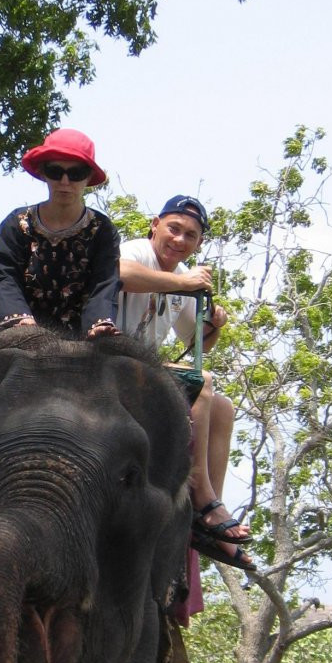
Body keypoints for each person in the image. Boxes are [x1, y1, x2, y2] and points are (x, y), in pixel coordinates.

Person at [119, 195, 254, 571]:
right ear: (155, 225)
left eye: (190, 235)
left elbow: (198, 342)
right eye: (173, 229)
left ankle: (207, 511)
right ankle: (202, 494)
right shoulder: (138, 253)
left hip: (145, 368)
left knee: (223, 406)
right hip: (110, 355)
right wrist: (181, 281)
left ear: (198, 243)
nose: (179, 240)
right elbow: (119, 274)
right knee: (203, 381)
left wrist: (216, 326)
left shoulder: (184, 279)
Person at [0, 128, 120, 338]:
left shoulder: (102, 229)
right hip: (22, 337)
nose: (65, 182)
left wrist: (98, 324)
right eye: (55, 172)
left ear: (88, 178)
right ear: (42, 173)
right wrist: (19, 319)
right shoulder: (16, 223)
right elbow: (2, 274)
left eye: (76, 174)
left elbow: (104, 283)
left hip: (84, 342)